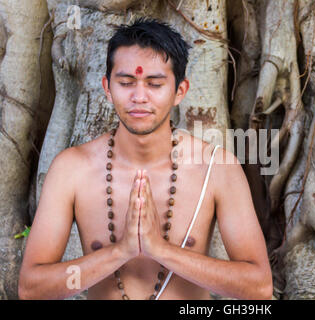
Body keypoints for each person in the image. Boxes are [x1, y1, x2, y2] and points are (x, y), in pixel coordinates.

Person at [18, 18, 272, 300]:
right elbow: (32, 288)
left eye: (154, 84)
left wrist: (161, 249)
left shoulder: (216, 168)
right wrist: (121, 251)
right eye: (126, 82)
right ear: (107, 87)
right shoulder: (72, 169)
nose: (139, 97)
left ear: (180, 91)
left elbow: (258, 288)